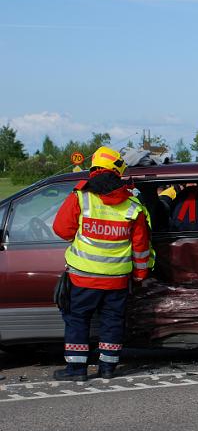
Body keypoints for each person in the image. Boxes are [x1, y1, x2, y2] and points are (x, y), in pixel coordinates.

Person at [52, 146, 154, 381]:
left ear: (95, 169)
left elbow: (61, 230)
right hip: (117, 280)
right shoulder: (132, 205)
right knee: (112, 322)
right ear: (117, 171)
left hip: (82, 277)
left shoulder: (82, 196)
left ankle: (76, 371)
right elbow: (141, 248)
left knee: (78, 320)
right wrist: (140, 275)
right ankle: (107, 369)